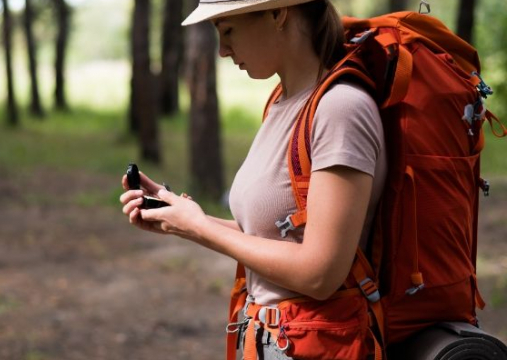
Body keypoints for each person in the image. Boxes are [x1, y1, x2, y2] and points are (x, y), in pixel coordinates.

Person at [120, 0, 387, 358]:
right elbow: (275, 234)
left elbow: (321, 274)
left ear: (278, 14)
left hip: (318, 345)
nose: (222, 51)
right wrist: (180, 218)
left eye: (228, 30)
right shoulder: (283, 102)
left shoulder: (340, 110)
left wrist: (200, 228)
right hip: (273, 338)